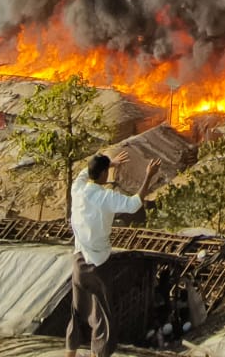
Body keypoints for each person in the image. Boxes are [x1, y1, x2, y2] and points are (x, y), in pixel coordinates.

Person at [66, 151, 161, 357]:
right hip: (98, 265)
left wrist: (110, 163)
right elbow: (135, 203)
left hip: (78, 262)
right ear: (103, 175)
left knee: (77, 312)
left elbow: (84, 173)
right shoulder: (105, 197)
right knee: (103, 319)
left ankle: (70, 354)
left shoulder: (77, 189)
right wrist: (148, 175)